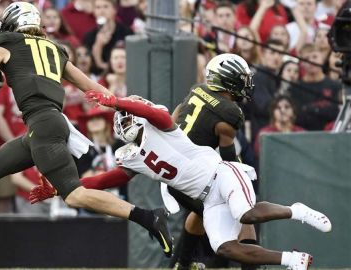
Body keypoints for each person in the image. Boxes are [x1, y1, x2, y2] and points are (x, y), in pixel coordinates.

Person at [0, 2, 172, 263]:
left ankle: (148, 217)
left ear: (13, 23)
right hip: (46, 125)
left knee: (75, 195)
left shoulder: (6, 44)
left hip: (43, 125)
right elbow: (96, 90)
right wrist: (123, 105)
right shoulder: (56, 49)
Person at [30, 89, 332, 270]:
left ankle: (298, 210)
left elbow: (152, 113)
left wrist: (116, 101)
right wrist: (62, 188)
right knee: (225, 248)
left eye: (127, 113)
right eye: (122, 116)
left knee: (245, 214)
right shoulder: (130, 155)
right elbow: (106, 179)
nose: (124, 119)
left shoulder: (161, 125)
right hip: (207, 199)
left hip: (222, 175)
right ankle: (292, 260)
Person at [171, 54, 258, 270]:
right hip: (189, 174)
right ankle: (246, 267)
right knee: (240, 211)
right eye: (241, 79)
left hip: (172, 167)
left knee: (202, 211)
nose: (246, 84)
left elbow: (177, 114)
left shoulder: (197, 89)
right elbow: (229, 160)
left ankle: (181, 264)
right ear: (228, 81)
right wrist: (241, 178)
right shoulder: (230, 112)